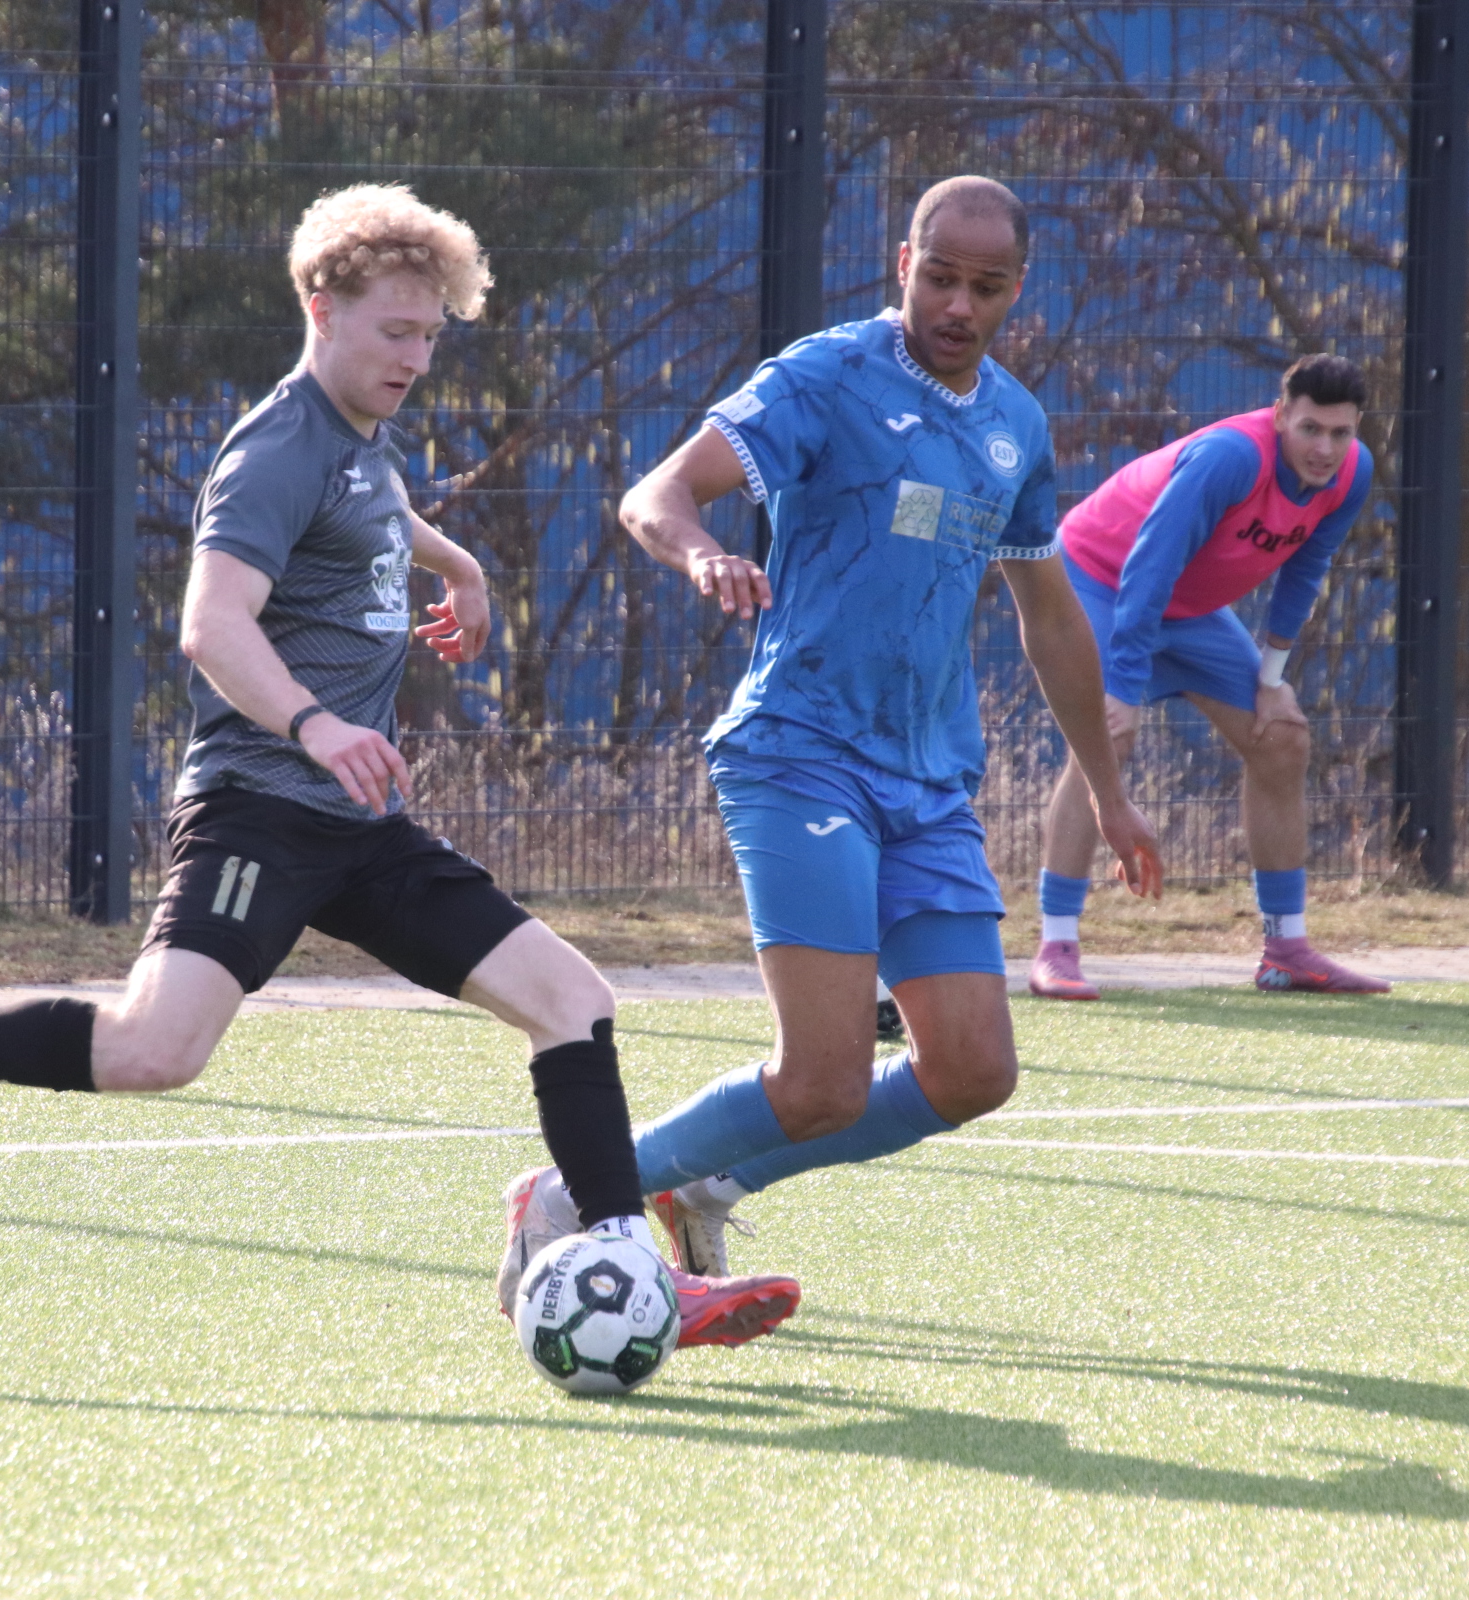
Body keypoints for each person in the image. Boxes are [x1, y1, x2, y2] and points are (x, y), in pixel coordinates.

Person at [0, 183, 800, 1349]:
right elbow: (210, 623)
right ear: (321, 308)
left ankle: (623, 1259)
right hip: (258, 808)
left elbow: (377, 514)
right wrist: (315, 723)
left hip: (359, 825)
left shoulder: (361, 439)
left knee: (574, 1001)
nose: (416, 359)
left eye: (430, 335)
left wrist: (462, 569)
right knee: (157, 1049)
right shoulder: (277, 446)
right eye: (394, 332)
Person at [500, 176, 1163, 1277]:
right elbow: (655, 495)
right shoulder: (829, 375)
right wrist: (702, 553)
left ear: (1017, 290)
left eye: (986, 286)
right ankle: (574, 1191)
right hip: (799, 755)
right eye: (939, 277)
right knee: (821, 1081)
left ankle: (709, 1182)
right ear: (902, 265)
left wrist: (1107, 790)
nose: (958, 305)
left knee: (973, 1071)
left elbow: (1051, 619)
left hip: (928, 784)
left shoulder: (1016, 425)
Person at [1029, 355, 1388, 1000]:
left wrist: (1272, 678)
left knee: (1283, 739)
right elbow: (1148, 567)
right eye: (1310, 429)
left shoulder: (1351, 473)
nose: (1325, 449)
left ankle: (1285, 952)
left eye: (1341, 433)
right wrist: (1123, 689)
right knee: (1105, 742)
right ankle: (1056, 948)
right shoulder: (1229, 458)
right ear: (1280, 416)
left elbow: (1307, 566)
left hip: (1187, 608)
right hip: (1100, 578)